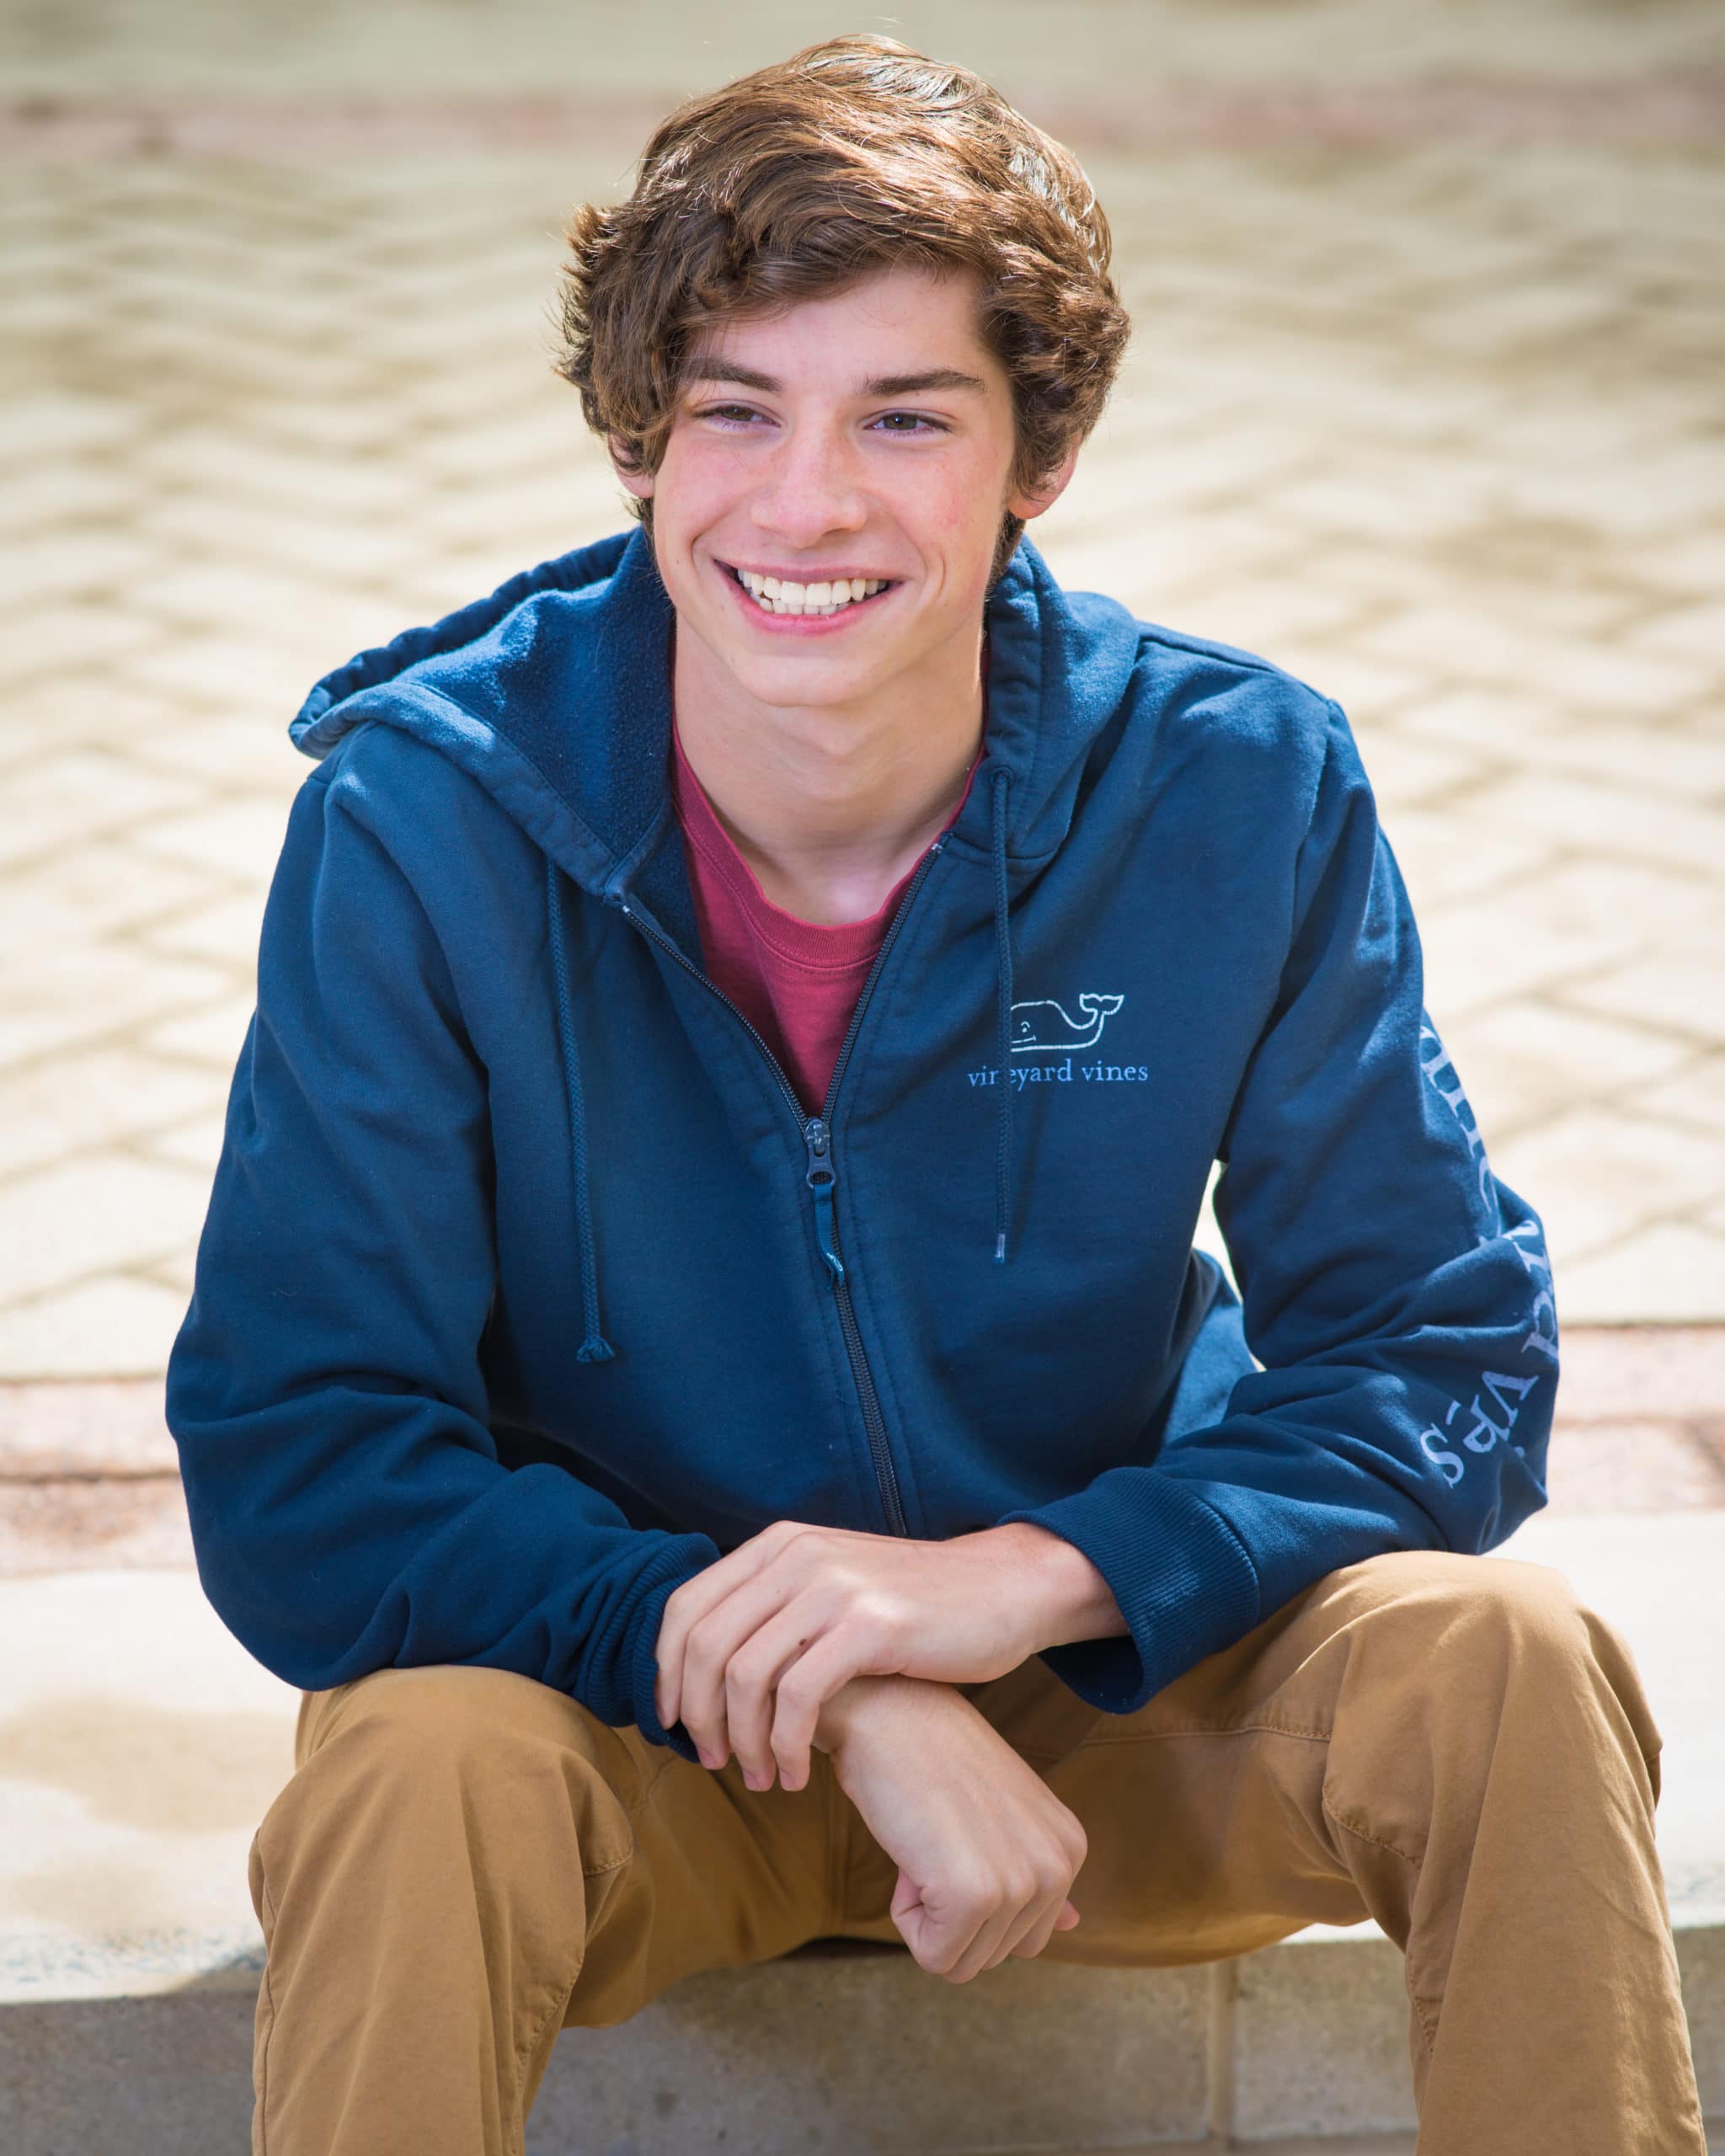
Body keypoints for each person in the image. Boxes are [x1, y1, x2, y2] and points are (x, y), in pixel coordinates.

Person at [165, 35, 1706, 2156]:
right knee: (415, 1761)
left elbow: (1437, 1353)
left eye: (904, 416)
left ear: (1032, 462)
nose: (805, 503)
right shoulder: (429, 820)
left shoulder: (1233, 784)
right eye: (736, 412)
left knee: (1503, 1656)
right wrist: (843, 1675)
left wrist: (1030, 1577)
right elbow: (305, 1451)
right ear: (641, 440)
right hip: (631, 1745)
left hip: (1112, 1715)